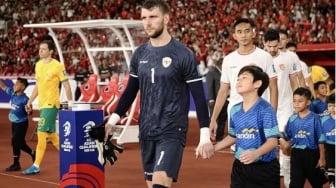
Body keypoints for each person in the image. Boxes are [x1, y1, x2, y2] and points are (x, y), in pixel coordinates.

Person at [104, 1, 214, 188]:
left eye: (153, 17)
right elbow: (131, 91)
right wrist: (111, 122)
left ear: (166, 19)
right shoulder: (139, 54)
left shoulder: (183, 54)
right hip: (146, 130)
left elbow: (198, 97)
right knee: (152, 183)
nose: (147, 22)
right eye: (144, 18)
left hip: (172, 130)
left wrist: (204, 136)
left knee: (159, 184)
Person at [209, 18, 278, 147]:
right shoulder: (229, 59)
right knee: (239, 153)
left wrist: (272, 114)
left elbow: (273, 87)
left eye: (247, 31)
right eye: (239, 32)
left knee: (262, 153)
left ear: (253, 33)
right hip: (236, 113)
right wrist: (213, 119)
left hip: (260, 113)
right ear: (234, 36)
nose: (243, 35)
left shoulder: (265, 57)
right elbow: (223, 91)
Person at [214, 65, 280, 188]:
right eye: (238, 79)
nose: (239, 81)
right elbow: (233, 136)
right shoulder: (234, 110)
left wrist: (256, 153)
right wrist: (213, 148)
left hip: (264, 170)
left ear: (257, 84)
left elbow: (273, 141)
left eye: (244, 78)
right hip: (240, 168)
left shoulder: (266, 110)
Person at [23, 40, 73, 175]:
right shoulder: (38, 65)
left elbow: (66, 85)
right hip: (42, 104)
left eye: (44, 49)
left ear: (51, 51)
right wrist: (30, 101)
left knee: (41, 133)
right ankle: (72, 159)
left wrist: (70, 102)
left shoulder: (57, 66)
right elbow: (38, 86)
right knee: (52, 135)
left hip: (52, 104)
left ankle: (36, 165)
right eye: (40, 49)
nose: (40, 51)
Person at [263, 29, 298, 187]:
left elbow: (293, 81)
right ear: (264, 43)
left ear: (279, 43)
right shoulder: (259, 59)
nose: (271, 49)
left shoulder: (288, 59)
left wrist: (298, 102)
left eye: (274, 46)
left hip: (285, 109)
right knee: (267, 148)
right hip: (264, 110)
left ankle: (289, 182)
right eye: (268, 46)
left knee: (285, 146)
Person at [280, 87, 328, 188]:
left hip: (312, 156)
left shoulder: (315, 118)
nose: (296, 104)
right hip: (296, 155)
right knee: (295, 184)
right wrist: (281, 140)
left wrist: (322, 157)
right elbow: (286, 136)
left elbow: (321, 139)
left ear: (308, 102)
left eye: (300, 101)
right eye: (294, 101)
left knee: (317, 184)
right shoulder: (292, 119)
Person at [0, 78, 35, 171]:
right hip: (14, 123)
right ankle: (32, 153)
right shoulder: (13, 93)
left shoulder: (25, 99)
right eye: (15, 84)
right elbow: (3, 86)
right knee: (20, 143)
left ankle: (16, 164)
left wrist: (29, 111)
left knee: (15, 142)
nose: (14, 85)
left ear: (23, 87)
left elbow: (30, 112)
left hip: (22, 124)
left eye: (17, 84)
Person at [205, 57, 228, 142]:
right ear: (220, 64)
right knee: (213, 119)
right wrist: (211, 99)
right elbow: (209, 87)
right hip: (215, 100)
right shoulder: (211, 73)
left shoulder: (225, 73)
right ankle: (210, 137)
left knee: (222, 119)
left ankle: (219, 137)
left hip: (226, 100)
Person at [321, 93, 335, 188]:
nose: (332, 108)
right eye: (330, 106)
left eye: (334, 106)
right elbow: (321, 134)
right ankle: (332, 184)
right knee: (331, 166)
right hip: (329, 145)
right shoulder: (324, 119)